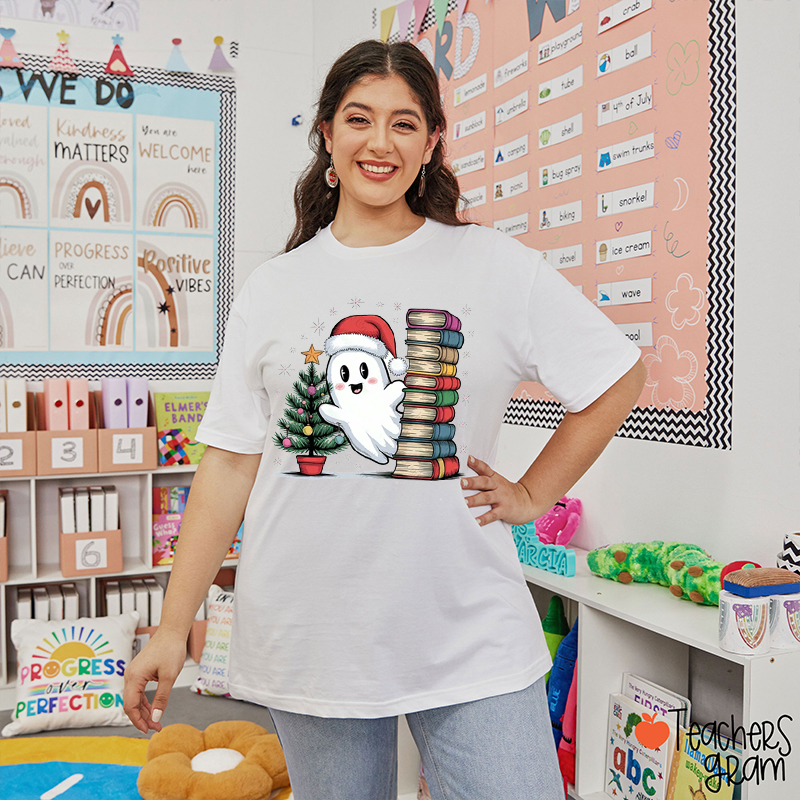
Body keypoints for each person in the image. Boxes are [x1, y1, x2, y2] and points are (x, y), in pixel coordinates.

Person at [124, 39, 646, 800]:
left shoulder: (493, 266)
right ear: (328, 135)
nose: (380, 141)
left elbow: (616, 376)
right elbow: (230, 463)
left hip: (468, 630)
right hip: (313, 632)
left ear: (433, 142)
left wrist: (534, 494)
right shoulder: (274, 288)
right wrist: (174, 626)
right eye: (359, 118)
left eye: (405, 124)